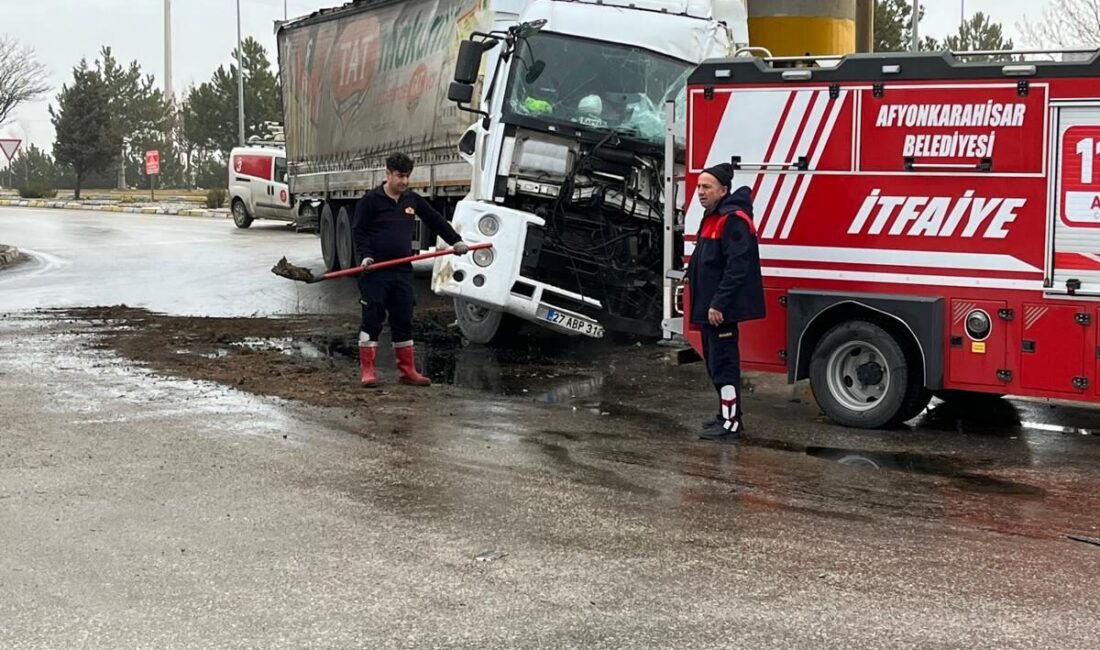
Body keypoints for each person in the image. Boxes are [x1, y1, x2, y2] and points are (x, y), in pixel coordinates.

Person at [353, 152, 469, 387]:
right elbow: (359, 231)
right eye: (400, 176)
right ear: (388, 174)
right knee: (372, 320)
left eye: (407, 177)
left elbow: (435, 220)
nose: (404, 182)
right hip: (375, 271)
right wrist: (365, 256)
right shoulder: (370, 201)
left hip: (402, 271)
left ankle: (408, 371)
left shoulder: (411, 200)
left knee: (403, 320)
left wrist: (455, 241)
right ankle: (368, 371)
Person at [686, 162, 765, 440]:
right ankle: (725, 415)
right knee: (714, 365)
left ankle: (731, 423)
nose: (700, 192)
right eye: (698, 186)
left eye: (706, 187)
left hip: (720, 311)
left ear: (723, 190)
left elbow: (737, 266)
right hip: (710, 309)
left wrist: (719, 303)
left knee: (724, 366)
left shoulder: (733, 219)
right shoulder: (713, 216)